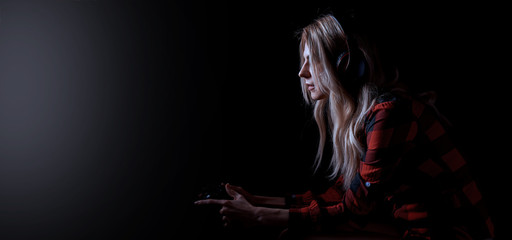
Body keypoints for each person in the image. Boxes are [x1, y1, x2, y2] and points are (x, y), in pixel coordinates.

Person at [195, 13, 495, 240]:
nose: (302, 72)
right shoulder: (367, 117)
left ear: (343, 64)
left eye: (312, 61)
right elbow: (340, 195)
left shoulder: (390, 114)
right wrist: (254, 200)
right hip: (412, 228)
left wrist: (260, 216)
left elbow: (355, 209)